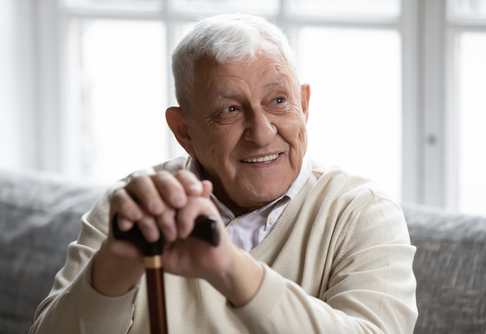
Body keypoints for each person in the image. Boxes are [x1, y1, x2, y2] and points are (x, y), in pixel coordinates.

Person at [30, 13, 418, 334]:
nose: (263, 131)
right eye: (230, 110)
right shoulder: (138, 205)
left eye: (278, 100)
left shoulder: (362, 212)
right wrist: (116, 265)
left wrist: (229, 267)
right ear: (184, 131)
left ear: (304, 104)